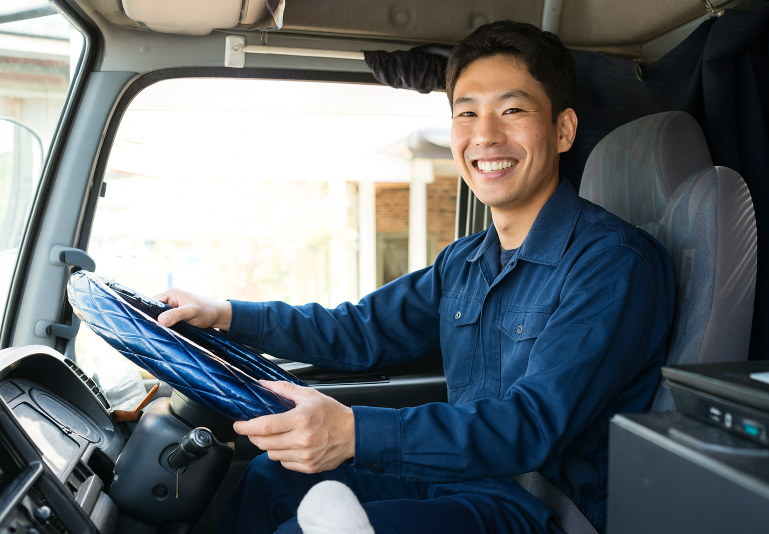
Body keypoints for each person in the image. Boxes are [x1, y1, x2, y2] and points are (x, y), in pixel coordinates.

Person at [156, 21, 675, 534]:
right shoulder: (465, 261)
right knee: (274, 477)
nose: (485, 135)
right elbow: (357, 330)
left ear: (563, 129)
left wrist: (354, 432)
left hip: (541, 506)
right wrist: (224, 315)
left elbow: (530, 424)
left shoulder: (613, 263)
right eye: (466, 113)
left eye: (512, 110)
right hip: (464, 478)